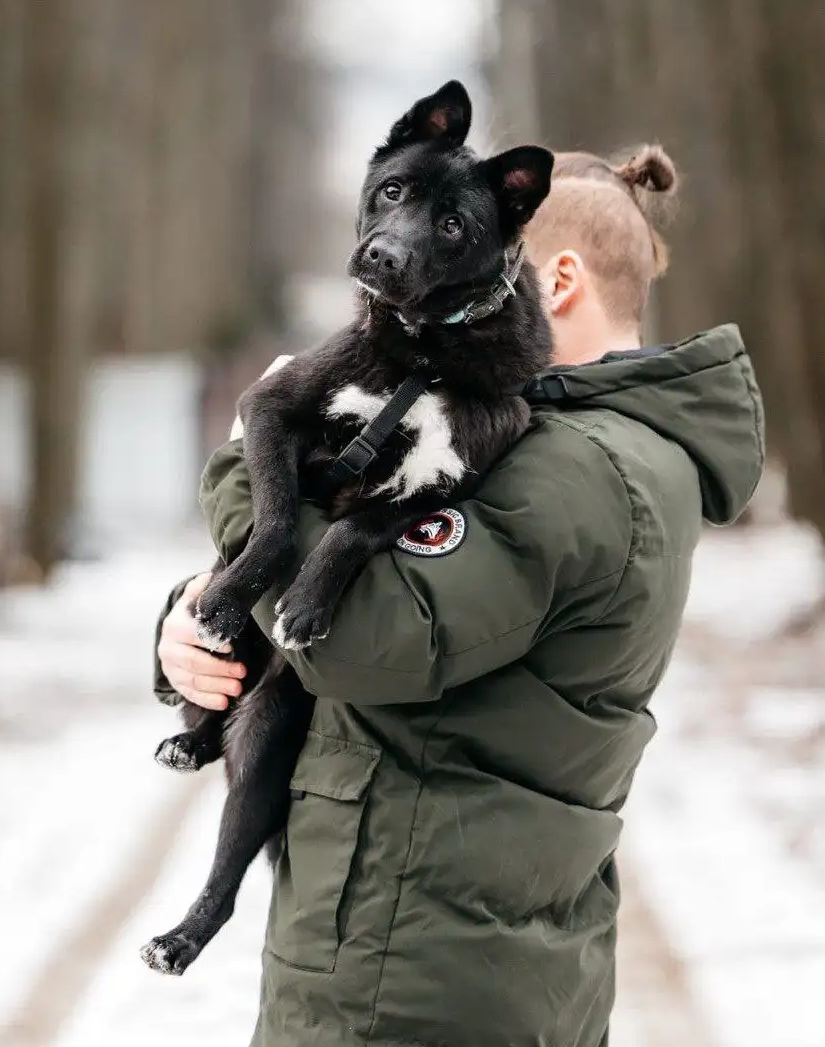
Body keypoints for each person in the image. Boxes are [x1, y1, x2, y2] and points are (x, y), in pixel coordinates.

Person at [154, 144, 764, 1047]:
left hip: (412, 975)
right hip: (435, 952)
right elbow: (344, 562)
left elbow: (362, 638)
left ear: (549, 280)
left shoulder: (576, 470)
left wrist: (244, 464)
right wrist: (195, 614)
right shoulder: (550, 438)